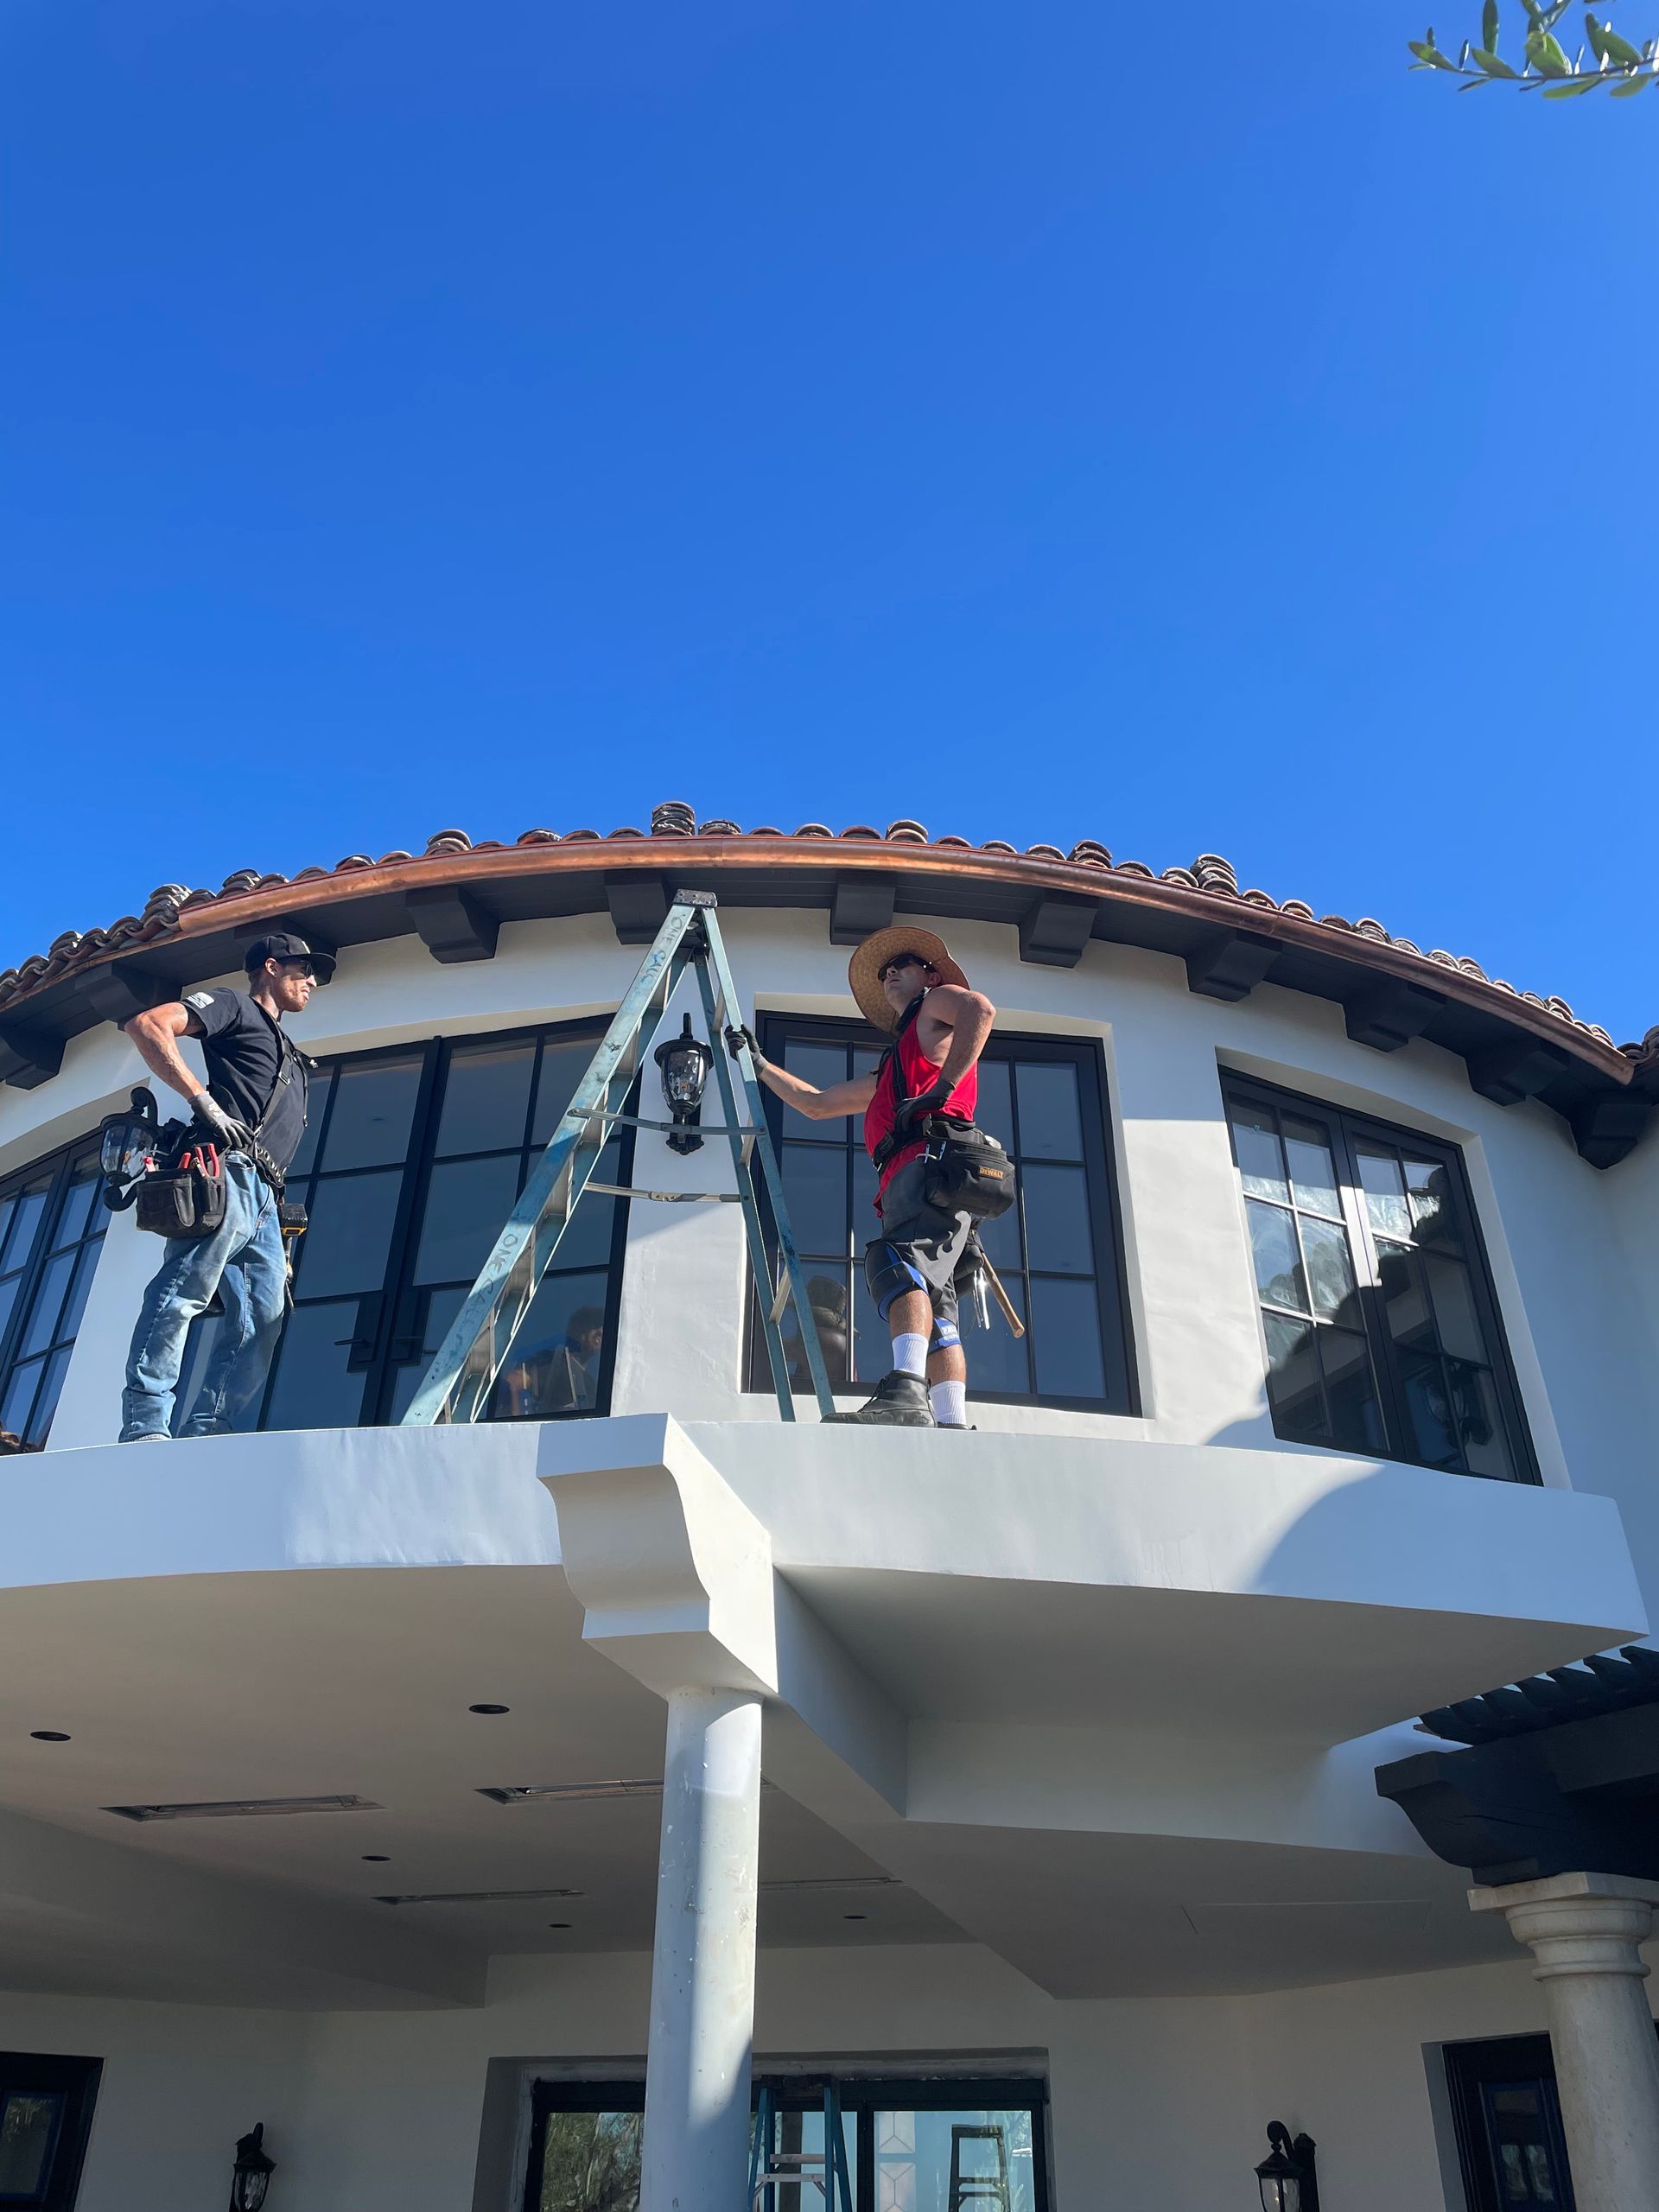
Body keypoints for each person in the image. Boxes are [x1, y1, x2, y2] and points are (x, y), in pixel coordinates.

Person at [730, 926, 995, 1428]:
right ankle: (951, 1420)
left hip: (927, 1161)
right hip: (930, 1174)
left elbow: (980, 1010)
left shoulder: (935, 1001)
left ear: (930, 975)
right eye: (884, 970)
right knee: (936, 1304)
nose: (890, 972)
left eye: (904, 962)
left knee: (899, 1265)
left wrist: (942, 1089)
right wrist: (759, 1064)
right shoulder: (895, 1068)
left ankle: (907, 1390)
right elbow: (816, 1104)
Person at [117, 933, 334, 1441]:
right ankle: (146, 1423)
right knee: (184, 1289)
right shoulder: (234, 1006)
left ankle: (209, 1429)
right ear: (271, 967)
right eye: (303, 970)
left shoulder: (289, 1050)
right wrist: (202, 1100)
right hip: (226, 1170)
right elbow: (147, 1025)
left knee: (263, 1317)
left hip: (265, 1195)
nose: (312, 981)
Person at [499, 1305, 607, 1417]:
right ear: (576, 1330)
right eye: (594, 1325)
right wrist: (516, 1422)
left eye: (602, 1328)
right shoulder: (552, 1362)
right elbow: (514, 1380)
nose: (600, 1331)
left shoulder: (595, 1389)